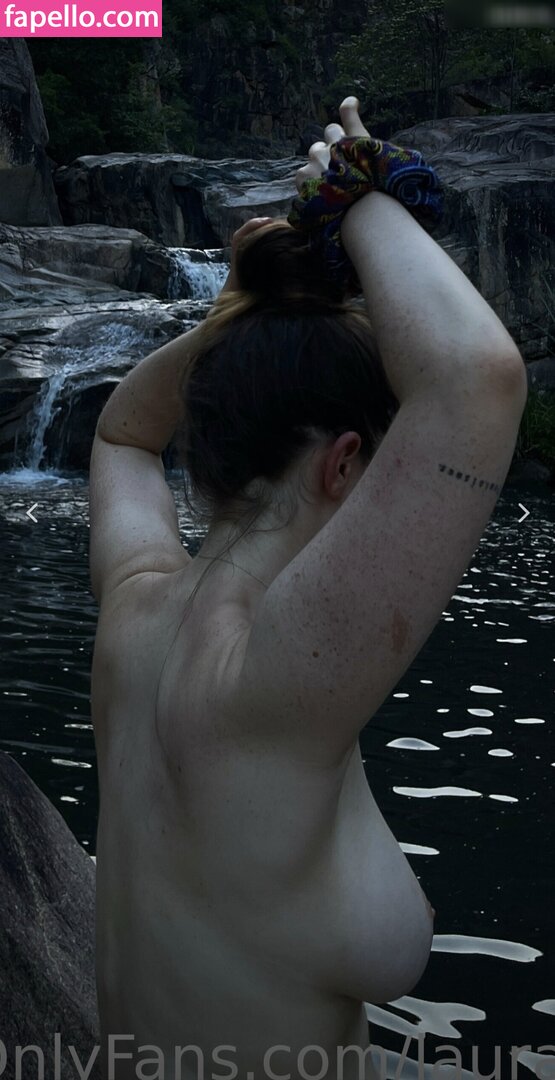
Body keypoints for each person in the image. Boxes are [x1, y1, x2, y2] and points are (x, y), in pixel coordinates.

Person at [89, 97, 528, 1080]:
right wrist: (353, 192)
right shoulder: (268, 675)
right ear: (342, 464)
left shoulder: (135, 606)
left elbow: (122, 433)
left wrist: (254, 309)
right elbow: (474, 381)